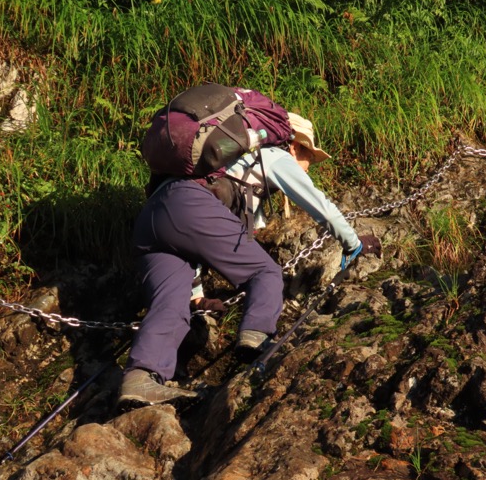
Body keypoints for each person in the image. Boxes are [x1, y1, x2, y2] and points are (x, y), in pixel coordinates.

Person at [117, 110, 381, 410]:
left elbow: (195, 239)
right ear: (296, 146)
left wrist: (197, 296)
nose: (309, 168)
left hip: (152, 216)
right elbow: (320, 204)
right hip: (191, 204)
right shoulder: (275, 155)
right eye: (310, 159)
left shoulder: (229, 167)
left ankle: (138, 379)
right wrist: (353, 243)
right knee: (264, 272)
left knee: (171, 306)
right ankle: (256, 337)